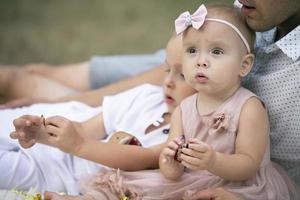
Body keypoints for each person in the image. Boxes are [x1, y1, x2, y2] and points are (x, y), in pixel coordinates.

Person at [41, 4, 296, 200]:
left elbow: (249, 165)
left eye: (216, 52)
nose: (201, 61)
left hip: (242, 186)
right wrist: (170, 162)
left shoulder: (249, 106)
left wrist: (213, 162)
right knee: (132, 185)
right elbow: (169, 168)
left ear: (244, 65)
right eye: (193, 51)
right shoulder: (185, 108)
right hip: (193, 178)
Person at [3, 33, 196, 195]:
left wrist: (78, 145)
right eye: (167, 70)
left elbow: (143, 158)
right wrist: (40, 134)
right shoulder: (147, 95)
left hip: (57, 173)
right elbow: (86, 128)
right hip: (66, 118)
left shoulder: (185, 136)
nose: (168, 81)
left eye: (182, 76)